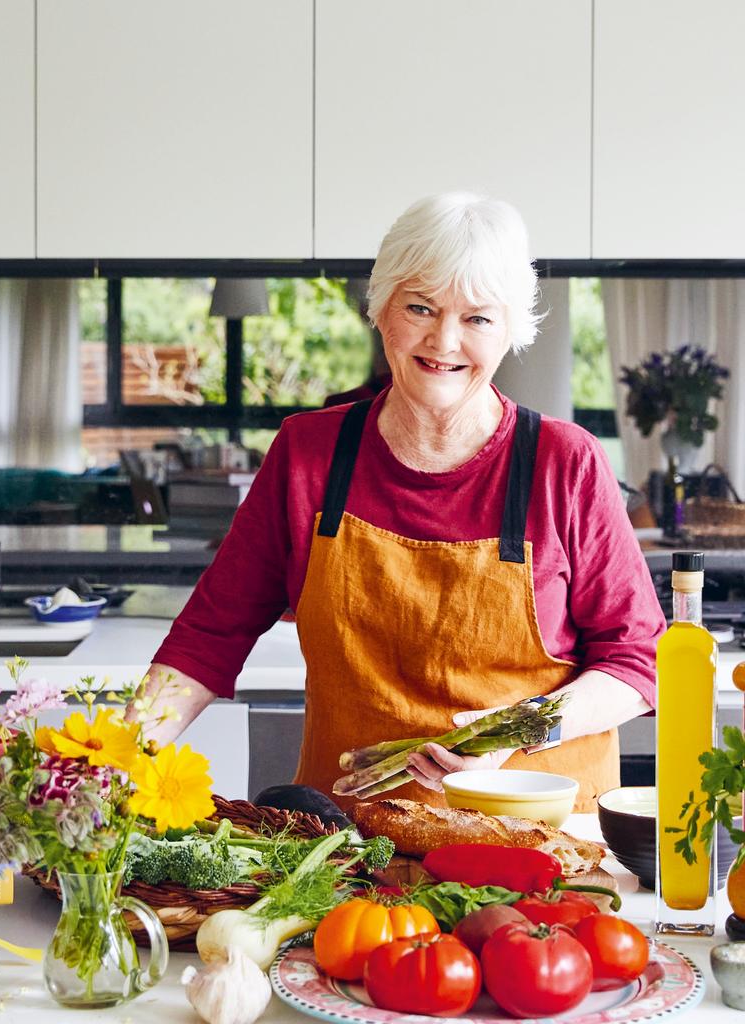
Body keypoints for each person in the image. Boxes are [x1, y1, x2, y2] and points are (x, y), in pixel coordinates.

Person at [133, 193, 664, 813]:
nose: (444, 340)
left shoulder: (565, 461)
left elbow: (637, 660)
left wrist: (516, 728)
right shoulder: (309, 453)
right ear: (381, 309)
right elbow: (208, 637)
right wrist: (112, 766)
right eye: (420, 307)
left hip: (539, 843)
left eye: (478, 319)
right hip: (348, 848)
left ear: (509, 332)